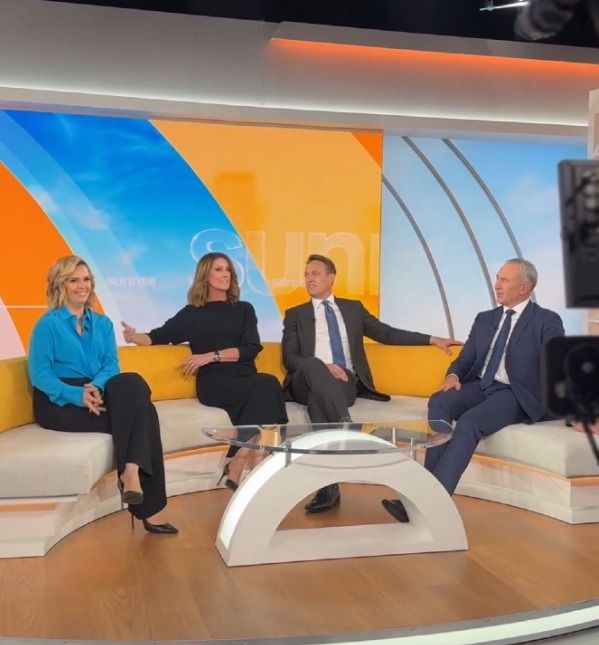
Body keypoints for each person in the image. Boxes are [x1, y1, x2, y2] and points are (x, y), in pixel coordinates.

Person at [282, 253, 460, 516]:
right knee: (313, 366)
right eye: (307, 275)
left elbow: (386, 334)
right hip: (304, 380)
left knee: (318, 402)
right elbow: (289, 358)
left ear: (331, 277)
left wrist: (431, 339)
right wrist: (323, 366)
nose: (309, 279)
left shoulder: (353, 309)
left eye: (315, 274)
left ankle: (329, 486)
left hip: (343, 383)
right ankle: (345, 425)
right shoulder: (296, 314)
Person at [28, 256, 177, 534]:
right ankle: (147, 504)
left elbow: (110, 365)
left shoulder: (103, 323)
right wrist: (78, 395)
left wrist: (96, 387)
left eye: (86, 279)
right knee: (145, 413)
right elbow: (40, 374)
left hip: (96, 390)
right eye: (74, 280)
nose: (82, 286)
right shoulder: (47, 325)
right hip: (59, 400)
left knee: (132, 382)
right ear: (61, 285)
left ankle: (130, 471)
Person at [122, 252, 288, 488]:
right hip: (214, 382)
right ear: (205, 276)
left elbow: (251, 348)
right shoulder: (192, 314)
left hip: (244, 376)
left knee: (267, 385)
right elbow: (158, 336)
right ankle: (250, 458)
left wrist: (211, 355)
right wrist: (133, 336)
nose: (225, 274)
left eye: (228, 270)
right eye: (219, 269)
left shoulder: (244, 309)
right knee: (267, 386)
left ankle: (241, 457)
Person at [421, 258, 565, 498]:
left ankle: (431, 498)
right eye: (497, 278)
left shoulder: (546, 320)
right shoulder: (485, 318)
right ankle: (426, 491)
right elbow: (465, 359)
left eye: (504, 280)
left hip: (515, 393)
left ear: (524, 288)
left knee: (469, 422)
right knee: (439, 401)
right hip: (481, 385)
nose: (497, 285)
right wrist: (453, 375)